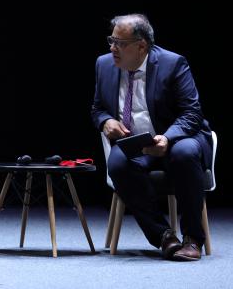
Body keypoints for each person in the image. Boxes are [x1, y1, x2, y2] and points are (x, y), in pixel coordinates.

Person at [91, 14, 213, 261]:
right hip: (135, 141)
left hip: (177, 138)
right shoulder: (104, 64)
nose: (113, 48)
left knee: (185, 154)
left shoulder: (173, 63)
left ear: (141, 46)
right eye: (111, 40)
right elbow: (97, 108)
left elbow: (192, 113)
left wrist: (166, 139)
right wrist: (106, 121)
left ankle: (192, 239)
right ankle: (164, 236)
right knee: (117, 163)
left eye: (120, 43)